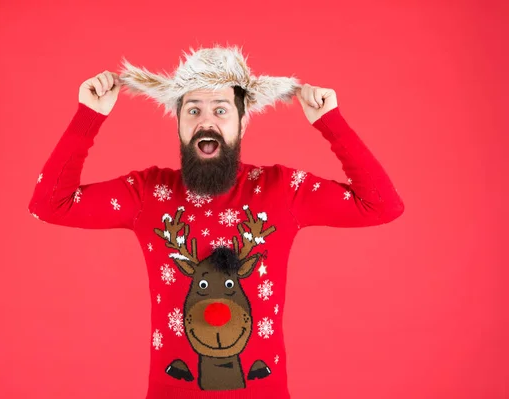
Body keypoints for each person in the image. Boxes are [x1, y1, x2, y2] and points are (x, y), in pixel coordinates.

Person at [28, 46, 404, 399]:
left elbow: (382, 205)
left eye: (221, 110)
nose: (206, 121)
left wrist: (330, 123)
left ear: (243, 123)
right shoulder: (147, 194)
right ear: (177, 123)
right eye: (193, 110)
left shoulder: (281, 190)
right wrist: (88, 116)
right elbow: (49, 204)